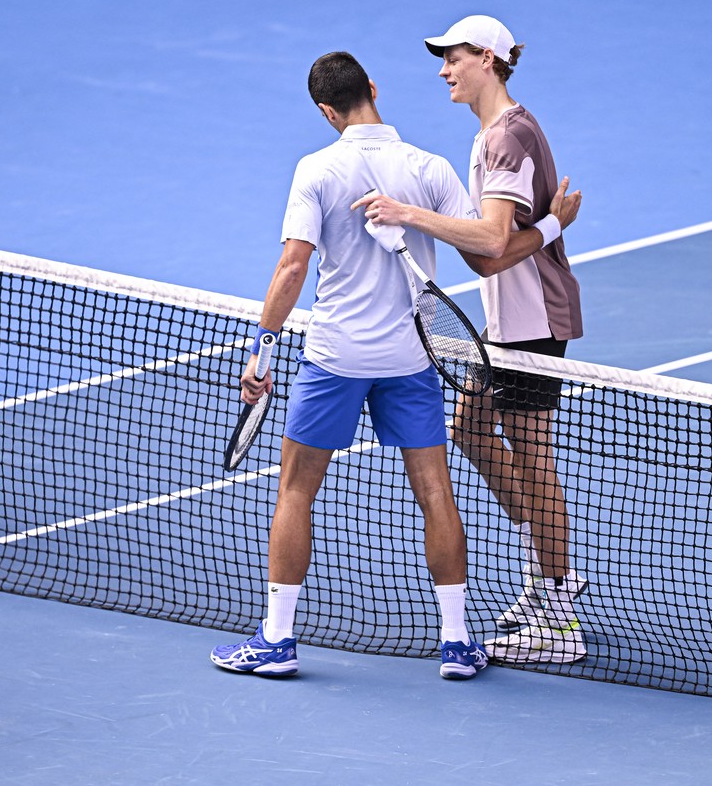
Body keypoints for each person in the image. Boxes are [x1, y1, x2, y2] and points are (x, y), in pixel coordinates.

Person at [210, 51, 499, 680]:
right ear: (373, 87)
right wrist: (550, 227)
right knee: (435, 492)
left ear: (325, 110)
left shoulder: (317, 169)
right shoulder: (428, 167)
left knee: (295, 491)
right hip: (409, 358)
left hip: (335, 358)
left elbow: (293, 267)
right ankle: (456, 642)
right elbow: (484, 246)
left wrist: (261, 347)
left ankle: (277, 640)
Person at [354, 15, 587, 664]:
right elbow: (491, 253)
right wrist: (547, 227)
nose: (442, 69)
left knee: (533, 457)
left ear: (487, 58)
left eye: (452, 57)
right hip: (508, 317)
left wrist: (405, 213)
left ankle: (558, 609)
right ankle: (547, 567)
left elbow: (488, 244)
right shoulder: (496, 133)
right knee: (469, 426)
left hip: (533, 320)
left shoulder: (505, 138)